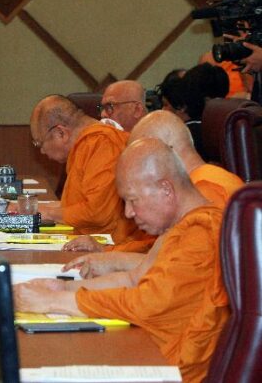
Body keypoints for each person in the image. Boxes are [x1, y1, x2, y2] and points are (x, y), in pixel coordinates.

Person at [14, 138, 229, 383]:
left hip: (170, 370)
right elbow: (135, 280)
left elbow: (148, 303)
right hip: (149, 351)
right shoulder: (179, 228)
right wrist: (64, 287)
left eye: (133, 200)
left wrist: (54, 301)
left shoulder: (203, 232)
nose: (127, 213)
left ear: (166, 189)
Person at [63, 109, 243, 268]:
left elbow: (179, 268)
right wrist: (107, 250)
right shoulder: (188, 186)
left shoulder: (207, 190)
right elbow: (160, 248)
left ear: (164, 152)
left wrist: (115, 259)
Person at [30, 95, 147, 245]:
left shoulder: (101, 143)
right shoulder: (87, 145)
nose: (42, 152)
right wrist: (34, 208)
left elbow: (98, 212)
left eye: (39, 143)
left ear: (61, 133)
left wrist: (45, 212)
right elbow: (77, 204)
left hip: (115, 247)